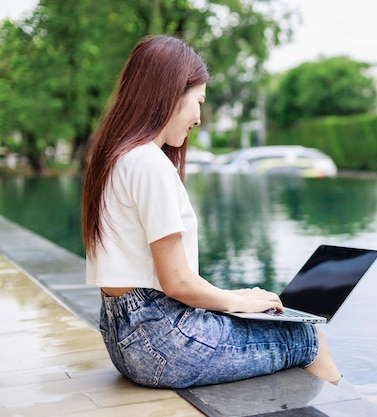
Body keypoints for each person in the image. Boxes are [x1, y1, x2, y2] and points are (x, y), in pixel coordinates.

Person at [81, 35, 342, 389]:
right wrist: (238, 301)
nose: (199, 118)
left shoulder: (116, 158)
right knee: (305, 335)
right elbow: (177, 283)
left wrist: (237, 300)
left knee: (264, 311)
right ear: (170, 92)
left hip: (126, 338)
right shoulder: (148, 163)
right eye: (198, 101)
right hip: (163, 344)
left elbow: (162, 283)